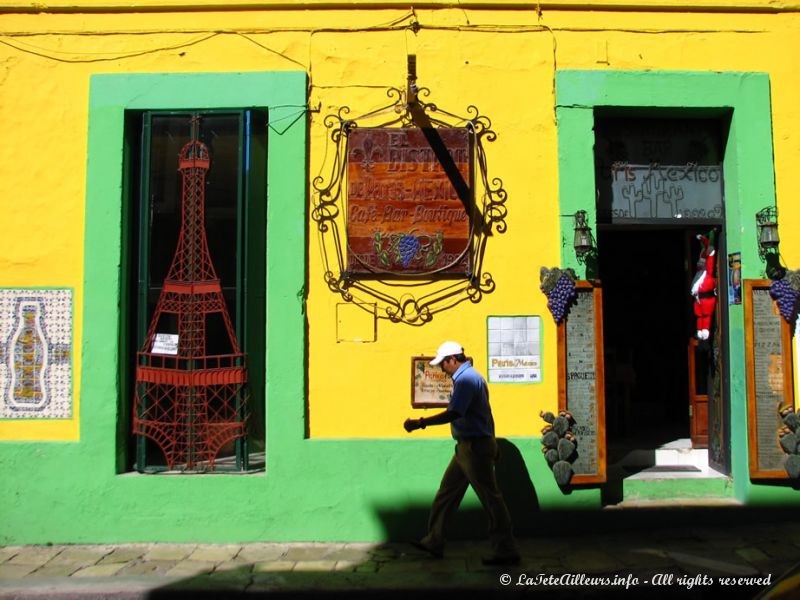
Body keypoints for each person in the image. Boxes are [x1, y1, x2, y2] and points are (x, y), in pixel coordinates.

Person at [403, 341, 520, 566]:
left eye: (443, 364)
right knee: (447, 493)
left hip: (474, 447)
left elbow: (454, 412)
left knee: (491, 499)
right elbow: (486, 413)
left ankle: (506, 550)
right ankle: (434, 540)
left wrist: (420, 423)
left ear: (452, 360)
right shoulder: (472, 377)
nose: (442, 369)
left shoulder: (466, 380)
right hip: (468, 446)